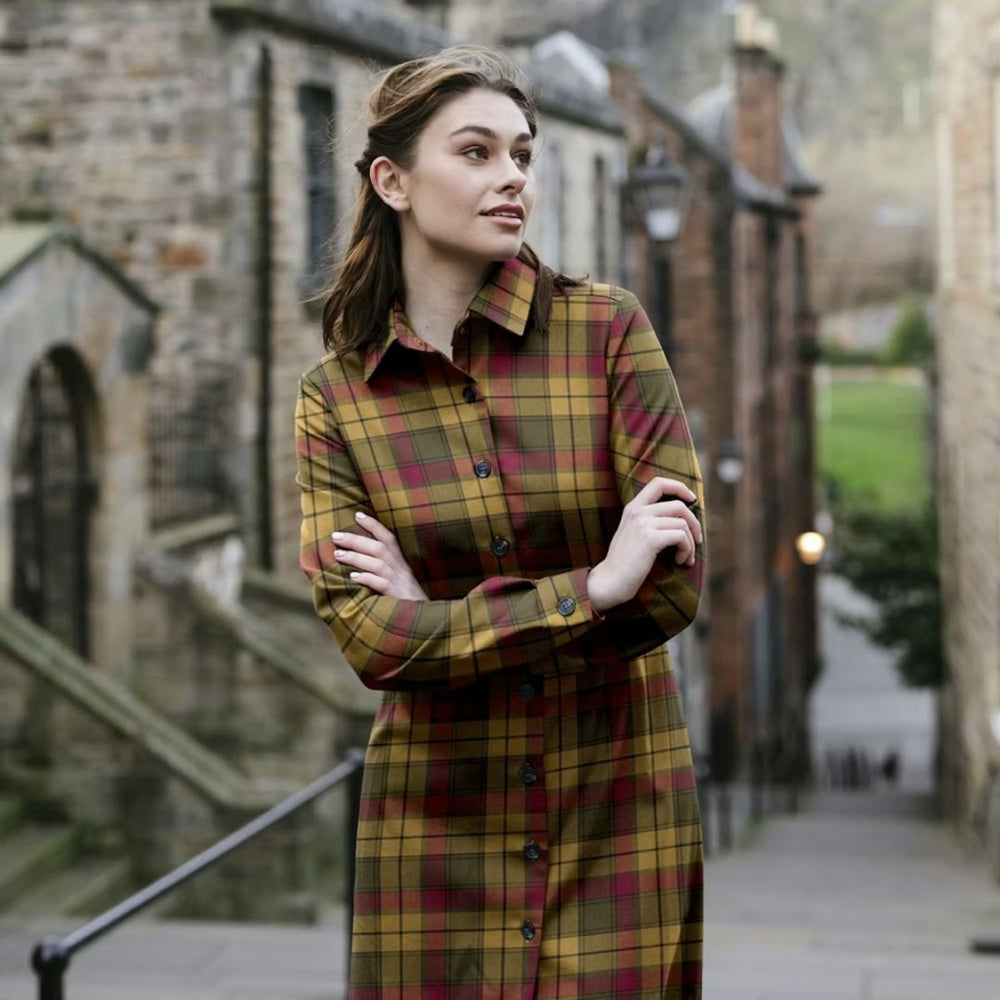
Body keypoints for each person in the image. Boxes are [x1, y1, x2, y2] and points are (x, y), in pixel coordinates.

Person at [295, 45, 706, 1000]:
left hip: (617, 812)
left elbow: (673, 588)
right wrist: (592, 588)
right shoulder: (337, 400)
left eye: (522, 154)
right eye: (476, 152)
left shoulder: (608, 332)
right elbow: (369, 640)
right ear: (392, 180)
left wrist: (437, 619)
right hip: (434, 828)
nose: (512, 175)